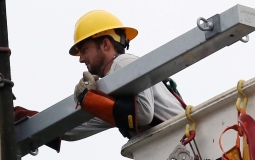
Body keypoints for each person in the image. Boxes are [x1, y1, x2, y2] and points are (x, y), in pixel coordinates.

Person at [63, 10, 183, 141]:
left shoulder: (122, 63)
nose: (81, 59)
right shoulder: (113, 86)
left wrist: (93, 100)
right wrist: (41, 131)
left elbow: (143, 114)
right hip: (175, 144)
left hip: (187, 137)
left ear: (105, 45)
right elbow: (76, 130)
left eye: (84, 50)